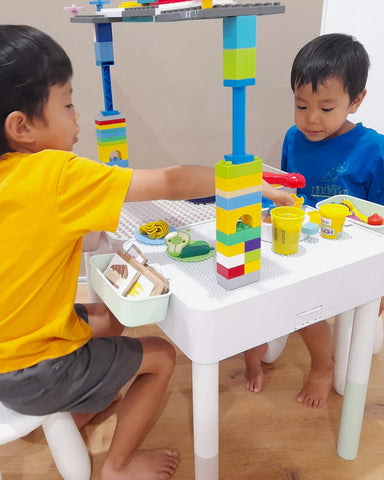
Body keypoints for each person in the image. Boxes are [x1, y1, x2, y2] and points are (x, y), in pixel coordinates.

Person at [0, 25, 293, 480]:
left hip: (7, 355)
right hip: (35, 371)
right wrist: (249, 182)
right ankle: (118, 466)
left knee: (107, 318)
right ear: (22, 126)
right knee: (159, 356)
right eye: (68, 103)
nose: (79, 118)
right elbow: (172, 182)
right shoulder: (57, 174)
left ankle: (86, 401)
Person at [245, 33, 384, 408]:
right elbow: (290, 193)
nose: (310, 119)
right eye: (301, 104)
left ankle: (322, 366)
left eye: (326, 108)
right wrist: (271, 211)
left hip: (350, 259)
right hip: (302, 249)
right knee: (261, 283)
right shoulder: (294, 138)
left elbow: (380, 223)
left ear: (356, 100)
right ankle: (270, 347)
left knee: (333, 331)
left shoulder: (373, 149)